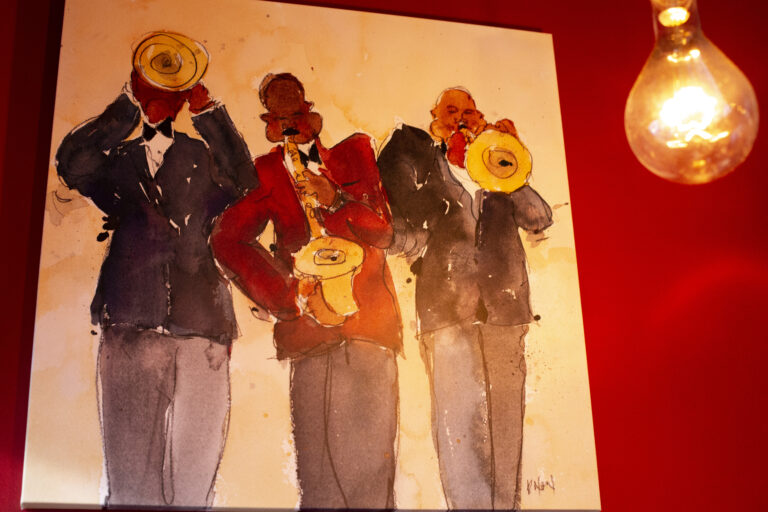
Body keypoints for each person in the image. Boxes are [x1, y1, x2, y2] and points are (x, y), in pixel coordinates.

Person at [55, 32, 255, 508]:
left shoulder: (203, 156)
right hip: (129, 323)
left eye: (171, 87)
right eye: (150, 84)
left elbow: (245, 179)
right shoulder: (116, 162)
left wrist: (208, 113)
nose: (161, 96)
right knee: (129, 478)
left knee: (195, 477)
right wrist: (125, 106)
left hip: (202, 326)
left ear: (184, 97)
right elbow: (71, 164)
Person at [211, 72, 402, 509]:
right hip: (308, 334)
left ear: (311, 114)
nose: (291, 128)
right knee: (318, 483)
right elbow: (227, 239)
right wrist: (287, 296)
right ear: (270, 124)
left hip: (368, 329)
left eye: (296, 116)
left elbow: (384, 232)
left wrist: (335, 199)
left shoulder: (355, 153)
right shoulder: (266, 171)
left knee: (373, 475)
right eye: (280, 121)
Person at [377, 87, 553, 510]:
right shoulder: (413, 150)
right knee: (458, 423)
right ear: (434, 116)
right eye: (451, 111)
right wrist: (445, 156)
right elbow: (398, 211)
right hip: (446, 310)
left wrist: (509, 163)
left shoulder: (497, 161)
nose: (461, 118)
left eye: (469, 112)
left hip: (505, 311)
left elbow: (538, 218)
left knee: (506, 422)